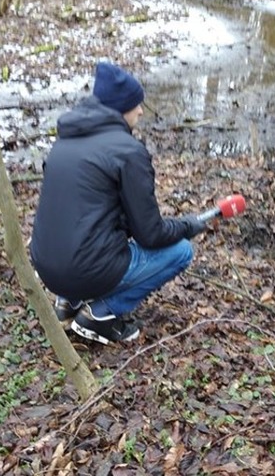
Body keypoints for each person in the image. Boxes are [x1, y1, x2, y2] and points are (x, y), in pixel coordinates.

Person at [30, 62, 207, 344]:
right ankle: (100, 314)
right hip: (83, 269)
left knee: (81, 229)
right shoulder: (128, 152)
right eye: (136, 104)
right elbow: (150, 235)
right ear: (121, 107)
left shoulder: (66, 139)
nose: (140, 110)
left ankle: (68, 303)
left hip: (45, 265)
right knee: (181, 251)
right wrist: (187, 225)